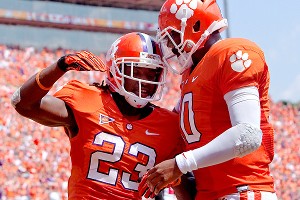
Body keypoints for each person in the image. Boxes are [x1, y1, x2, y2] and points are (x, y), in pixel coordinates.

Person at [10, 32, 185, 199]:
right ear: (115, 70)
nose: (144, 81)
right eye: (136, 71)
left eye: (151, 73)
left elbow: (184, 188)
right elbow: (23, 104)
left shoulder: (168, 125)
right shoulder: (86, 98)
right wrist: (59, 67)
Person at [139, 0, 278, 199]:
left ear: (196, 26)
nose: (169, 45)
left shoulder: (232, 53)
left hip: (242, 191)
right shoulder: (190, 75)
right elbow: (171, 125)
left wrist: (180, 164)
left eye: (173, 36)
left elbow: (248, 135)